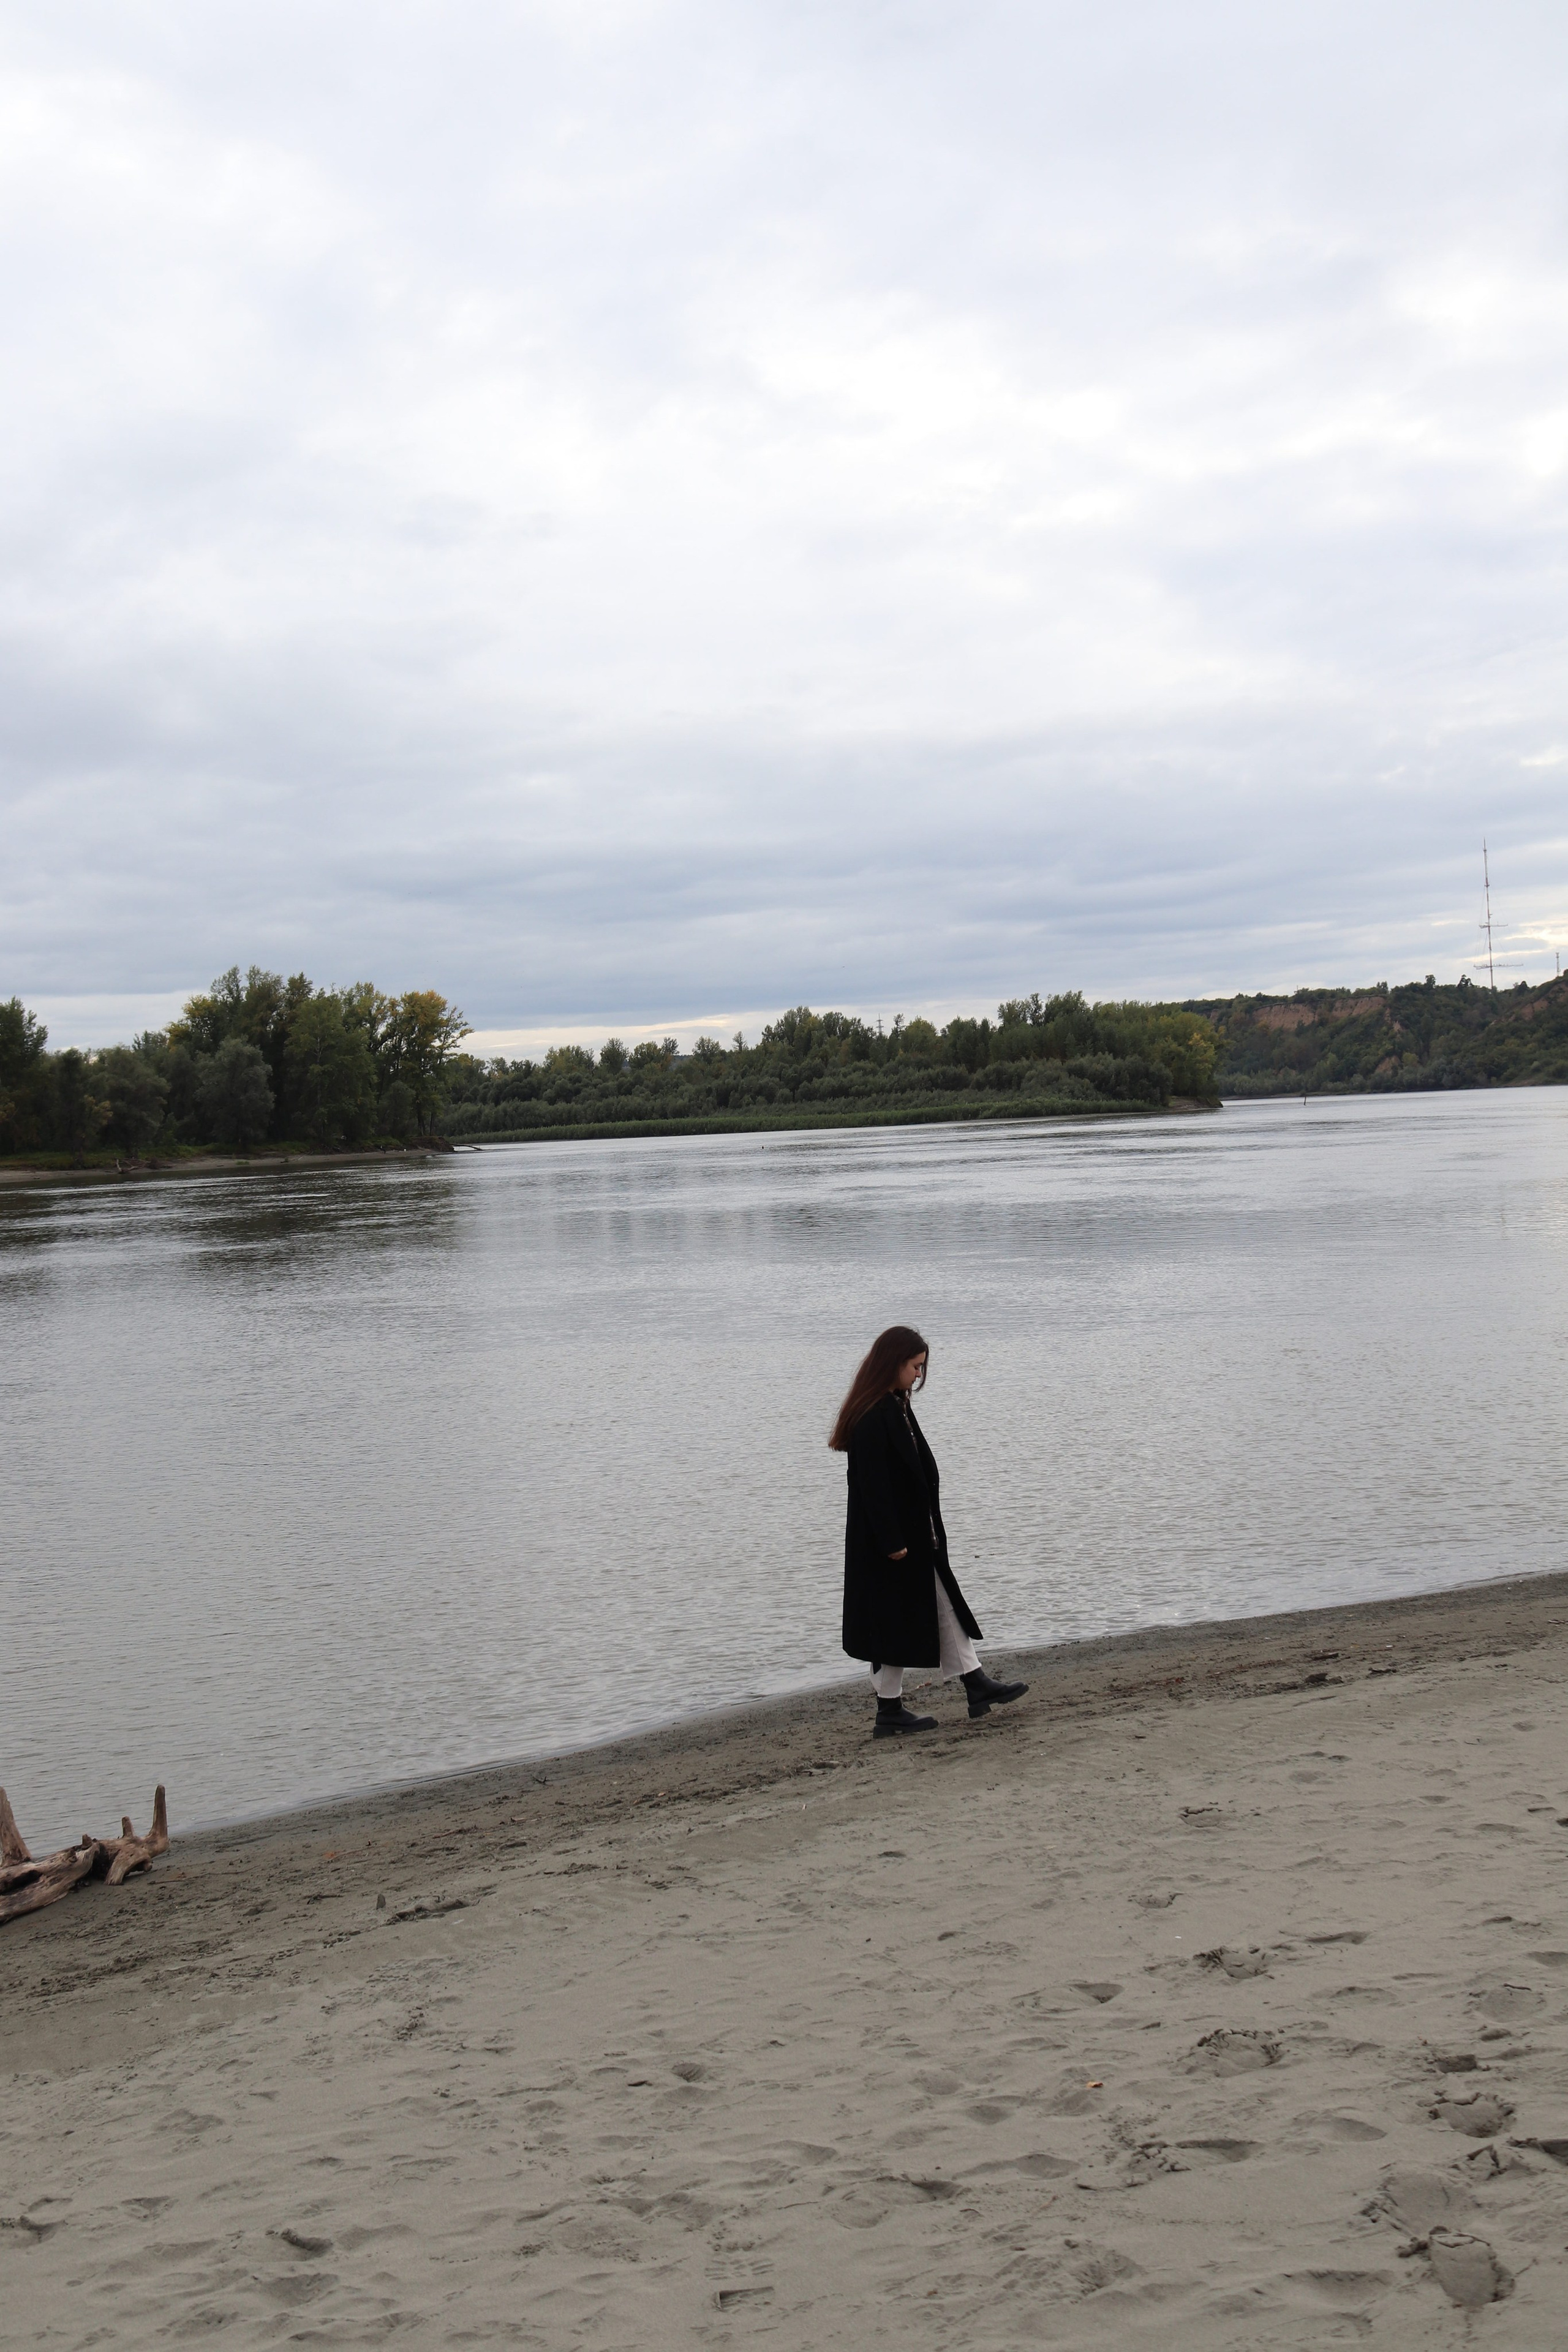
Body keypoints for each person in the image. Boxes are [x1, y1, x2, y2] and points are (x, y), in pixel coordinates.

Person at [829, 1324, 1029, 1739]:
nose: (919, 1374)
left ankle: (972, 1683)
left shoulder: (895, 1406)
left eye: (922, 1367)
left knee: (937, 1607)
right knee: (892, 1623)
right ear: (893, 1363)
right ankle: (894, 1710)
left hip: (915, 1538)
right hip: (890, 1544)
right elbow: (873, 1487)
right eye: (915, 1366)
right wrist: (891, 1540)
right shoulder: (873, 1416)